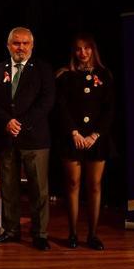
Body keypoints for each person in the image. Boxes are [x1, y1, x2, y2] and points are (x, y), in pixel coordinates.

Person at [0, 27, 55, 251]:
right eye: (16, 43)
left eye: (25, 43)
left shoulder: (43, 70)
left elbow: (46, 102)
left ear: (32, 46)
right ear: (8, 45)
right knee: (8, 187)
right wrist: (7, 121)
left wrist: (21, 123)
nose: (21, 47)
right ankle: (11, 230)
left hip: (35, 139)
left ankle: (40, 234)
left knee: (38, 189)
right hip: (6, 138)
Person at [55, 35, 114, 250]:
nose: (83, 53)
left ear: (93, 50)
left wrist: (94, 135)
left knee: (95, 186)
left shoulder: (104, 75)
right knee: (73, 184)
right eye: (79, 49)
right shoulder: (65, 76)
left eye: (87, 48)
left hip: (96, 139)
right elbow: (61, 108)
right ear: (74, 52)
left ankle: (93, 235)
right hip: (72, 138)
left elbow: (109, 109)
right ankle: (72, 233)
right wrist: (74, 133)